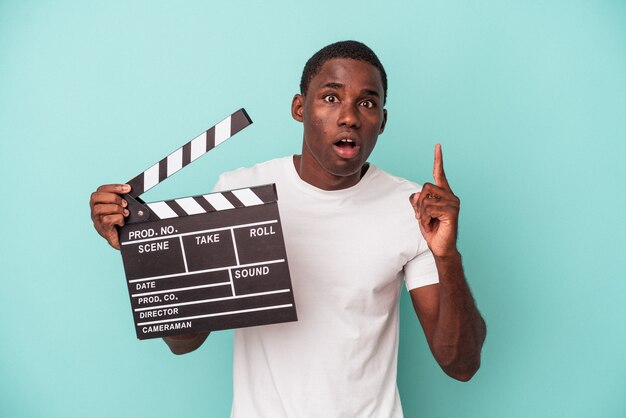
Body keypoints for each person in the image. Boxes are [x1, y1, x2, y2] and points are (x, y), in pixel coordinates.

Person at [90, 40, 486, 417]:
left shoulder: (413, 208)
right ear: (300, 107)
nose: (349, 116)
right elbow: (183, 342)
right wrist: (144, 247)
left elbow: (461, 364)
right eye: (331, 97)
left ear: (381, 121)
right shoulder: (239, 193)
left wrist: (447, 257)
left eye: (367, 103)